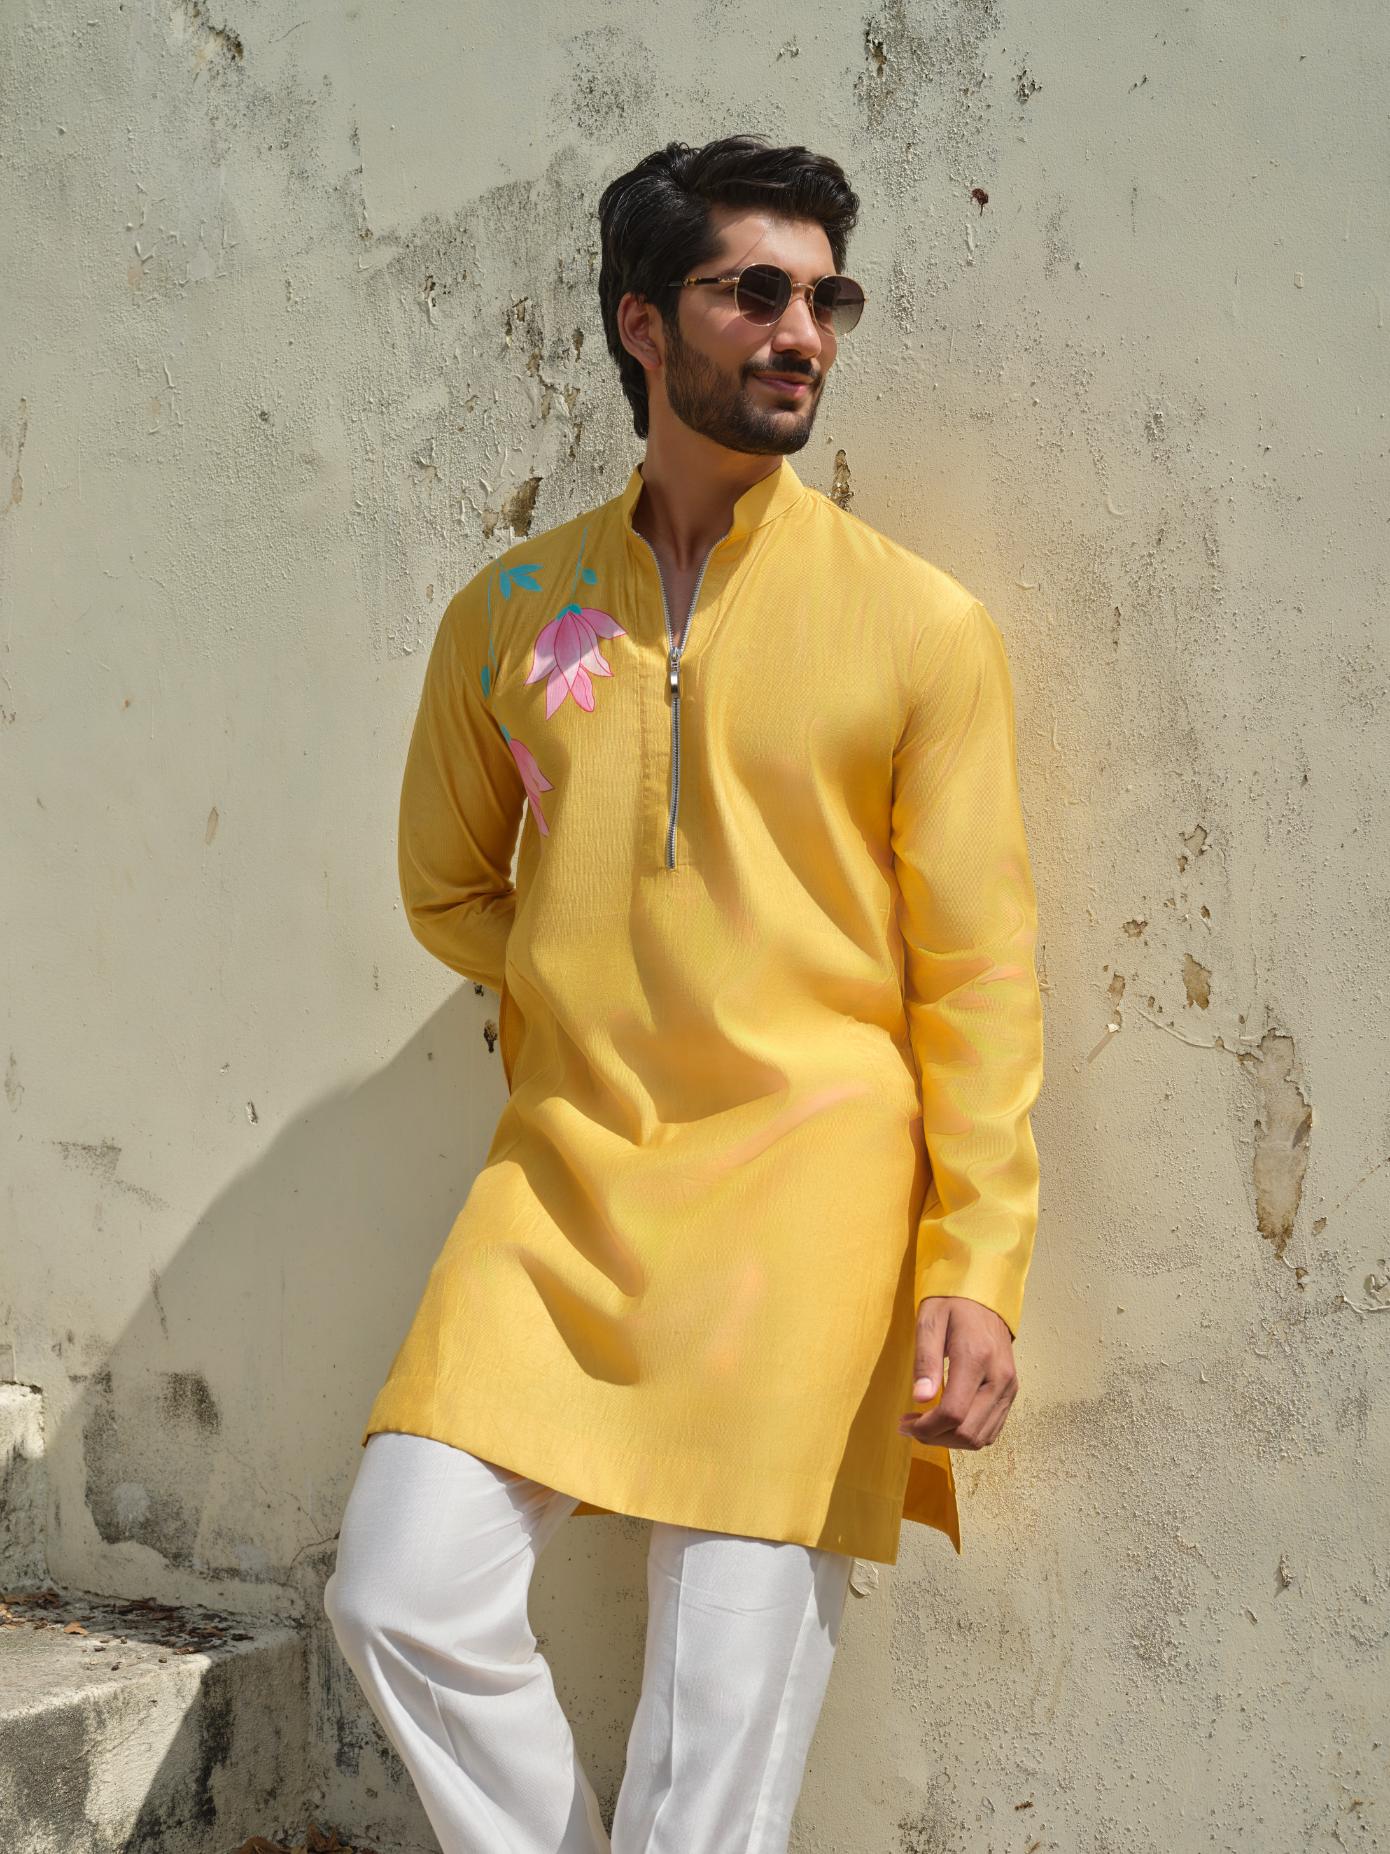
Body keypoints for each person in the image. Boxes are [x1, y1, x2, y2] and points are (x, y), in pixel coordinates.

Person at [324, 133, 1045, 1853]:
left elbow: (977, 975)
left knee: (712, 1740)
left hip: (809, 1202)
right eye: (757, 292)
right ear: (642, 324)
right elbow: (449, 883)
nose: (802, 332)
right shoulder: (510, 616)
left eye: (827, 298)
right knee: (395, 1589)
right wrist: (594, 971)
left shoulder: (917, 627)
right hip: (565, 1183)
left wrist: (976, 1262)